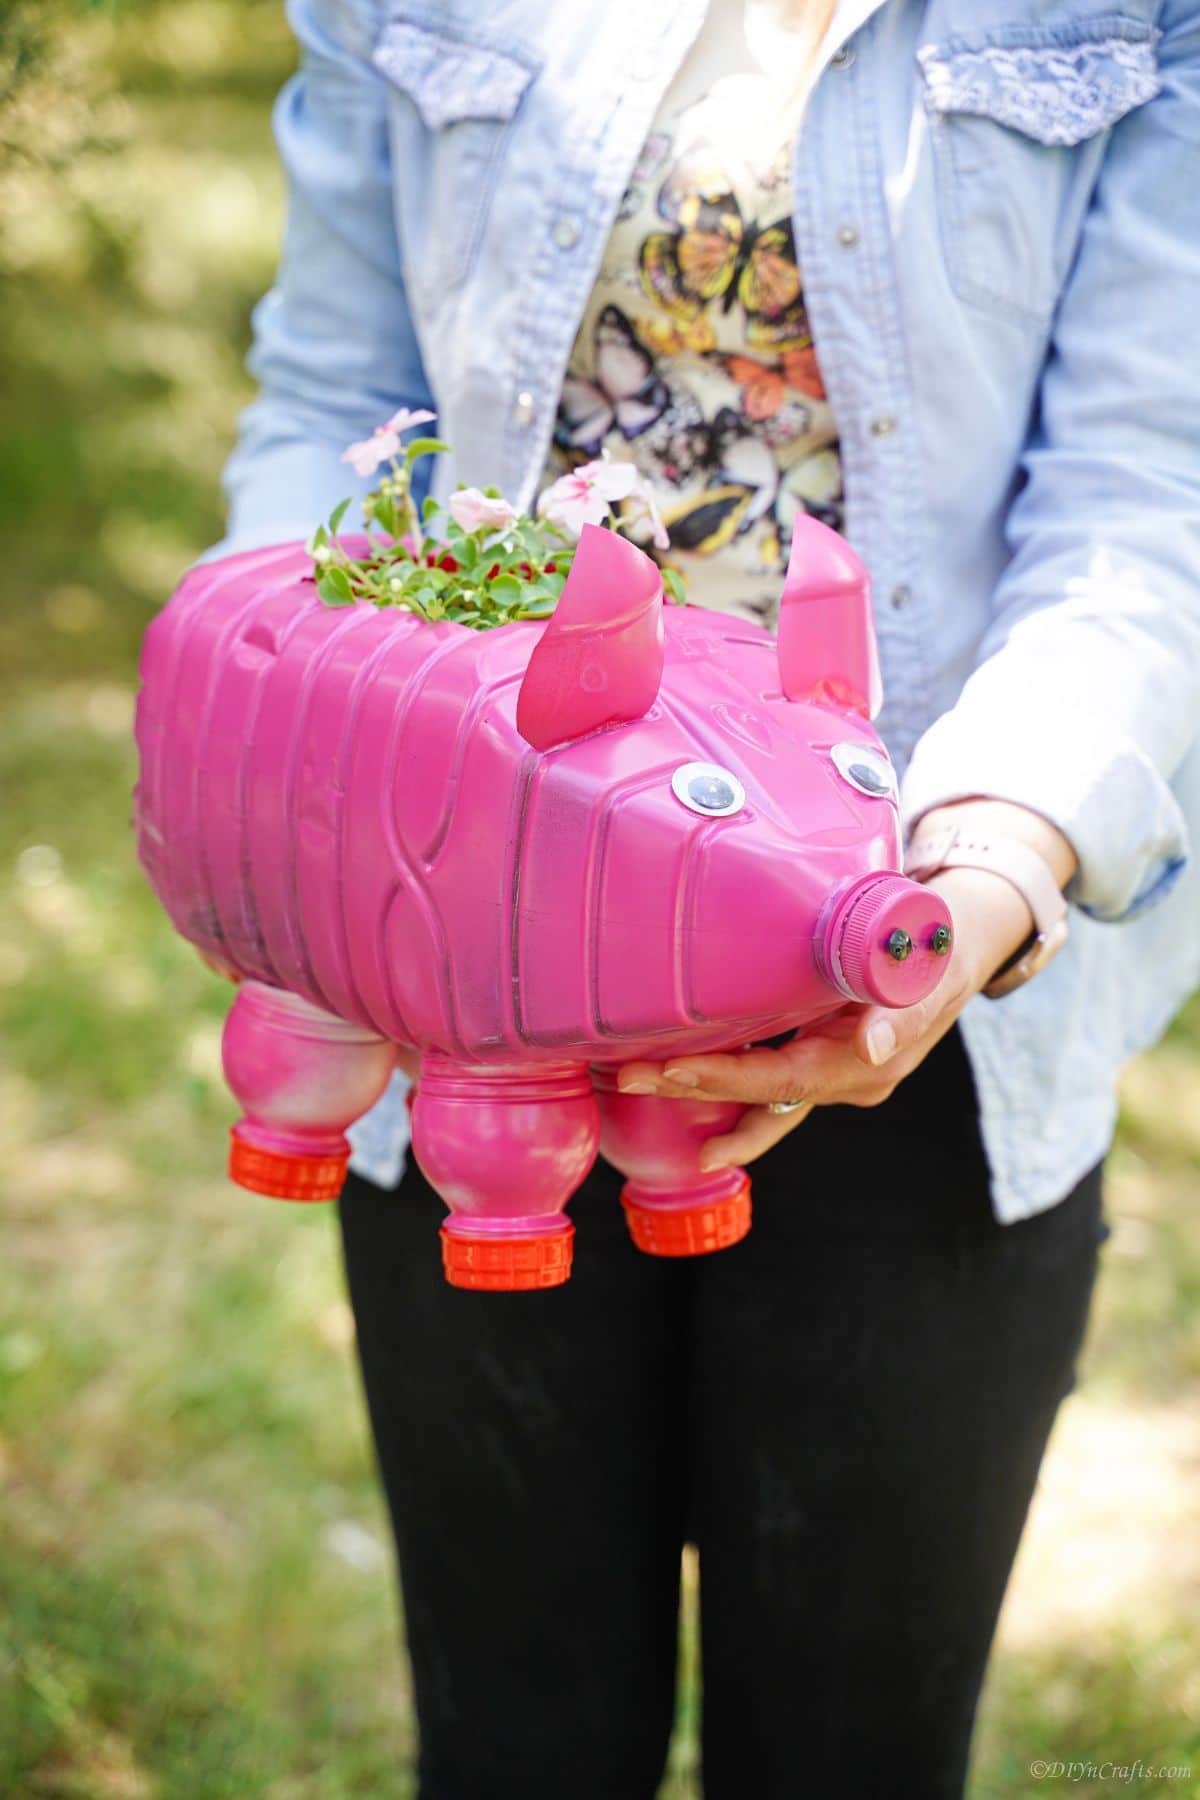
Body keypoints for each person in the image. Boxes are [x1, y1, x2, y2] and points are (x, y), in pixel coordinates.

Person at [205, 1, 1200, 1793]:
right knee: (516, 1731)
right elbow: (336, 408)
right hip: (463, 983)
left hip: (919, 977)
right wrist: (280, 754)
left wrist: (988, 864)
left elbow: (1146, 494)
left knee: (852, 1744)